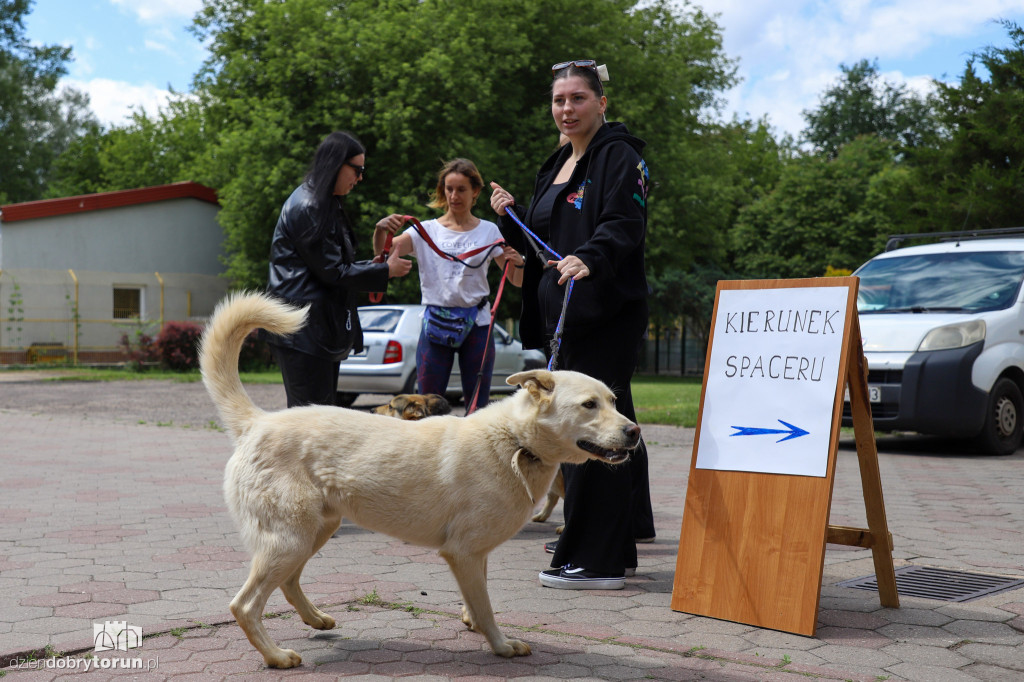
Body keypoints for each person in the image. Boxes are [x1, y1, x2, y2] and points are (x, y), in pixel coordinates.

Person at [489, 59, 655, 590]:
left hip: (604, 313)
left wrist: (591, 257)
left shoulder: (620, 156)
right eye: (559, 101)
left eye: (578, 99)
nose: (567, 109)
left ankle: (596, 561)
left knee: (591, 433)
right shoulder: (557, 162)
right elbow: (545, 242)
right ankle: (615, 546)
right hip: (562, 316)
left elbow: (624, 223)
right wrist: (508, 223)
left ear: (601, 103)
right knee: (603, 430)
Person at [266, 131, 412, 408]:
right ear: (335, 163)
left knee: (316, 418)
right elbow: (333, 273)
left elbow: (333, 267)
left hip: (309, 328)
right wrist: (385, 271)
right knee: (310, 422)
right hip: (303, 329)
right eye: (357, 170)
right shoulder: (310, 206)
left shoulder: (320, 201)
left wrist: (379, 260)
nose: (359, 178)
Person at [376, 158, 524, 409]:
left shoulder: (489, 232)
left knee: (478, 405)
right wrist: (380, 231)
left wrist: (519, 263)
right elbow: (383, 256)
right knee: (426, 404)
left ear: (475, 191)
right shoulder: (424, 231)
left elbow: (516, 281)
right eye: (449, 189)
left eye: (462, 189)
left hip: (478, 324)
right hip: (435, 322)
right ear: (442, 191)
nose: (454, 196)